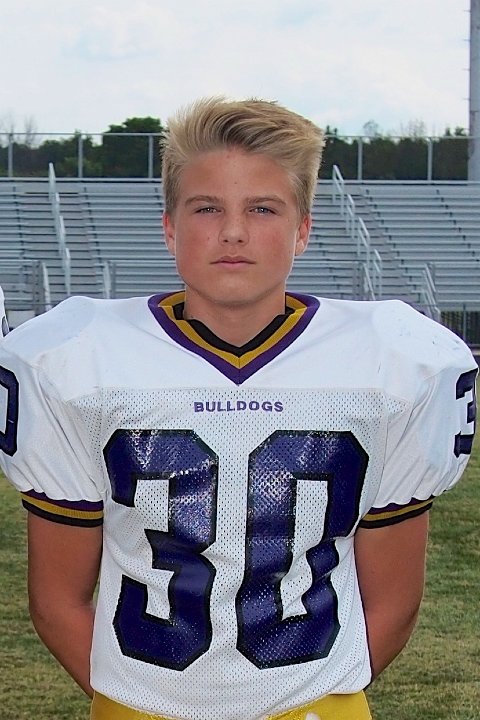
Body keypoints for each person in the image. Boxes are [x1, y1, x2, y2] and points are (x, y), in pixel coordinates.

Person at [0, 97, 477, 720]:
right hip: (139, 705)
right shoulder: (75, 358)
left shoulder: (391, 362)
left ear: (303, 229)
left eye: (262, 208)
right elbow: (57, 601)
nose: (233, 231)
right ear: (169, 227)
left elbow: (393, 602)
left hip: (317, 706)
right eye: (206, 208)